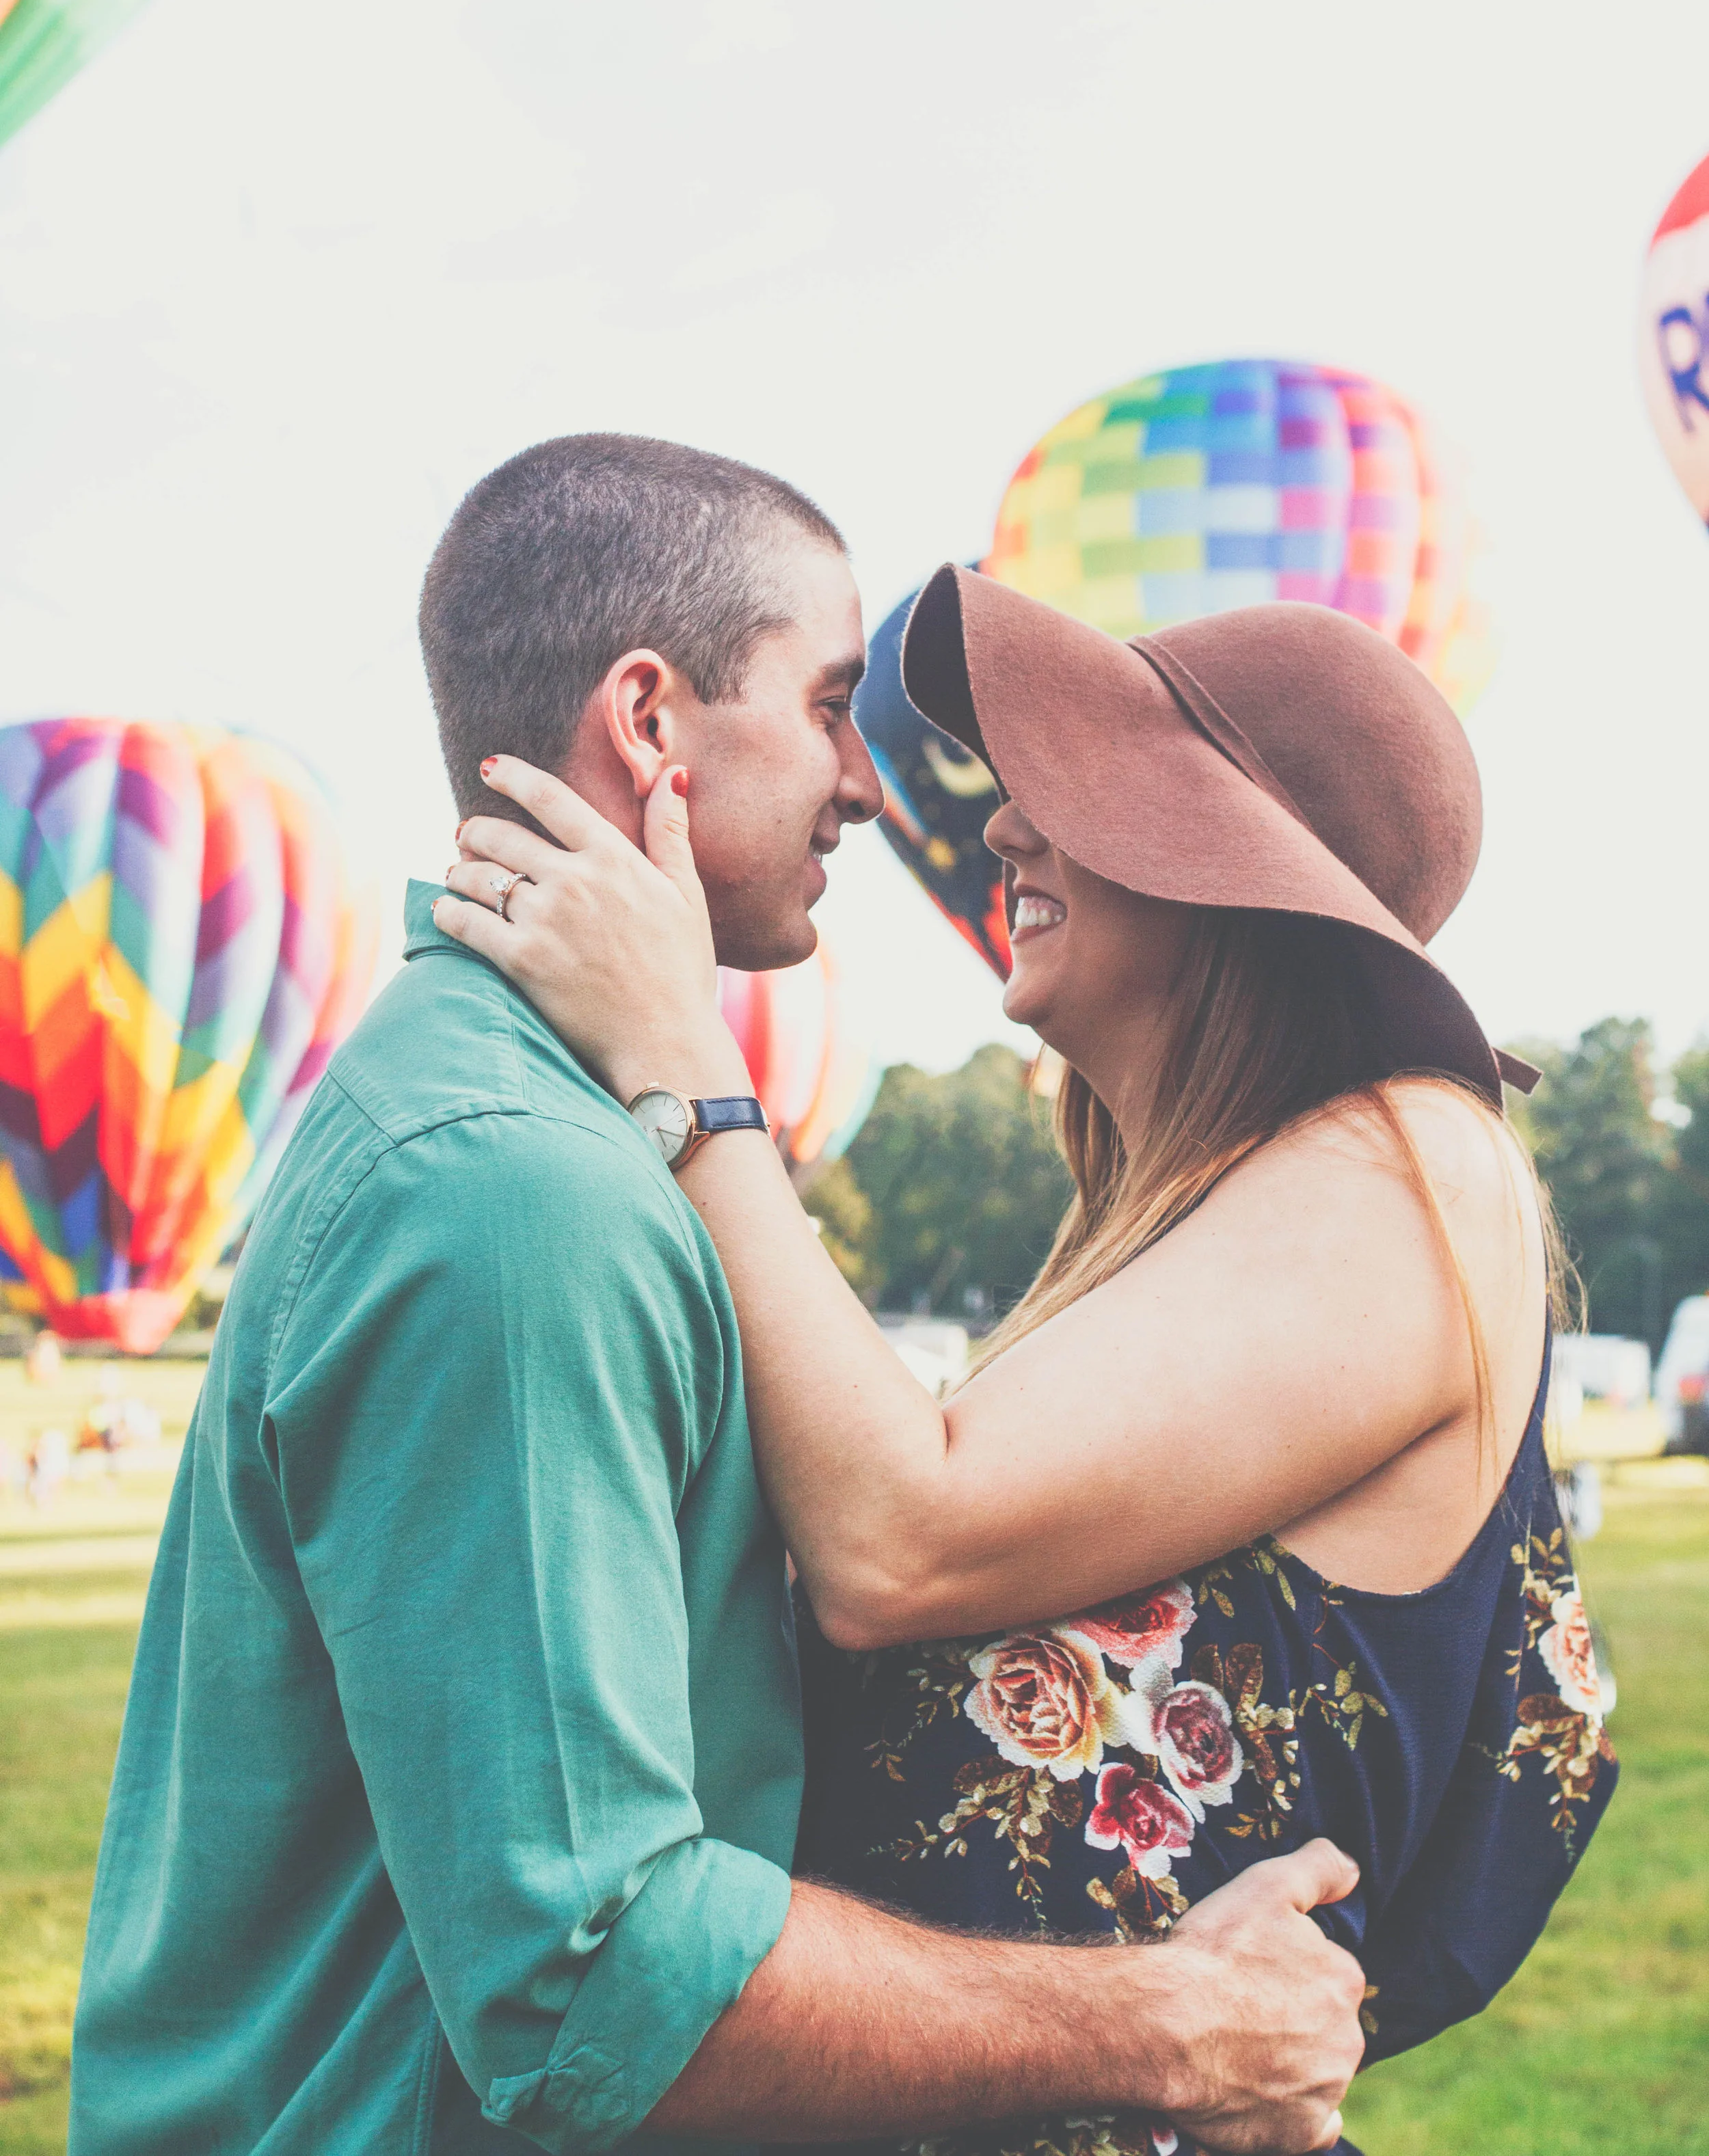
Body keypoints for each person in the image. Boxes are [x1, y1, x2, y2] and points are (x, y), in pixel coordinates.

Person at [69, 440, 1366, 2156]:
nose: (864, 785)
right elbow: (591, 1985)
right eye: (827, 706)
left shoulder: (561, 1131)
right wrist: (1171, 2023)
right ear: (652, 723)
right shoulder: (511, 1193)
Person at [440, 557, 1620, 2156]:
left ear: (1236, 871)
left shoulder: (1415, 1165)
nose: (1002, 824)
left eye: (1080, 787)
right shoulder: (1174, 1232)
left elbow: (891, 1538)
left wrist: (683, 1062)